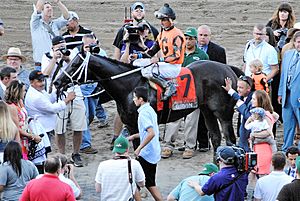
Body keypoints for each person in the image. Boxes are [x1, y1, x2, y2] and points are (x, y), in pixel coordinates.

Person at [162, 27, 209, 159]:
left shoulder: (202, 56)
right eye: (186, 38)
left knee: (191, 121)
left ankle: (190, 146)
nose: (188, 41)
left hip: (193, 93)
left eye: (191, 39)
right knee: (173, 119)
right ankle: (168, 145)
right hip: (177, 92)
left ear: (195, 40)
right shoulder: (177, 53)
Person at [41, 36, 86, 167]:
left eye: (64, 46)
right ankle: (62, 154)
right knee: (59, 128)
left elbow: (78, 70)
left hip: (74, 91)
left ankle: (76, 153)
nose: (62, 49)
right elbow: (45, 74)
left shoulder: (71, 53)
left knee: (79, 125)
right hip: (57, 93)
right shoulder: (47, 56)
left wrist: (67, 58)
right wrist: (54, 58)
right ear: (53, 47)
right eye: (59, 47)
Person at [131, 3, 186, 100]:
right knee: (136, 63)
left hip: (174, 67)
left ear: (170, 20)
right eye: (161, 20)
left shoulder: (177, 35)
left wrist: (159, 59)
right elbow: (152, 52)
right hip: (164, 63)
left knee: (147, 71)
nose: (162, 22)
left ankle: (168, 85)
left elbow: (176, 56)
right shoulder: (161, 34)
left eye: (164, 20)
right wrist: (138, 56)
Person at [24, 70, 75, 171]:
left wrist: (58, 90)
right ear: (31, 82)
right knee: (42, 153)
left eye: (43, 80)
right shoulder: (35, 96)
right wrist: (67, 99)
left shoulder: (38, 91)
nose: (42, 83)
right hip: (41, 129)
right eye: (39, 81)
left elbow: (49, 99)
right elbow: (52, 108)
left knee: (44, 152)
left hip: (44, 127)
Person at [69, 34, 107, 155]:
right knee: (83, 116)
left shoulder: (101, 53)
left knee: (91, 115)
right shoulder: (76, 53)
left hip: (94, 88)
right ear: (82, 44)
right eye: (87, 46)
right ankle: (85, 144)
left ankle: (82, 135)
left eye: (92, 45)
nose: (90, 48)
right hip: (80, 88)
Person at [128, 86, 163, 201]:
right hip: (153, 151)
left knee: (135, 182)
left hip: (147, 153)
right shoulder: (150, 110)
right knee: (149, 182)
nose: (133, 100)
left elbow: (151, 133)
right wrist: (134, 136)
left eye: (135, 98)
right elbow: (149, 131)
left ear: (141, 99)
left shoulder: (143, 114)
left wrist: (139, 148)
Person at [196, 24, 226, 151]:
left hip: (212, 90)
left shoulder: (219, 51)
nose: (203, 38)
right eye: (201, 35)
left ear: (210, 36)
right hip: (196, 88)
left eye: (205, 35)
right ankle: (199, 142)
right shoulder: (191, 48)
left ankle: (207, 143)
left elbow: (223, 69)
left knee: (210, 116)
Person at [95, 135, 145, 201]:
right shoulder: (134, 164)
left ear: (115, 149)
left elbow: (98, 189)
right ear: (127, 149)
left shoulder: (102, 165)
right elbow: (142, 184)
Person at [5, 80, 42, 160]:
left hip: (25, 136)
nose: (25, 92)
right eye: (23, 90)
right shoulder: (12, 107)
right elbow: (16, 128)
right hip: (19, 138)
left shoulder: (20, 102)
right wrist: (32, 136)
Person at [30, 0, 70, 69]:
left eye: (51, 8)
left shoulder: (55, 24)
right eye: (47, 7)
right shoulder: (35, 24)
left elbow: (67, 17)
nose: (50, 9)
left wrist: (58, 2)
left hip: (56, 63)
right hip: (41, 65)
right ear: (42, 11)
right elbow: (38, 9)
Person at [278, 31, 300, 152]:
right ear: (294, 42)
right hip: (287, 95)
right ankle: (287, 147)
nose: (299, 45)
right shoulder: (288, 55)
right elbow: (283, 75)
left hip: (299, 96)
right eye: (298, 42)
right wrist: (280, 92)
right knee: (288, 124)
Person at [222, 76, 254, 152]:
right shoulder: (245, 96)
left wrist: (240, 106)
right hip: (243, 133)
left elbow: (250, 117)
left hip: (248, 135)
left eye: (241, 88)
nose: (238, 89)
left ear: (248, 89)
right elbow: (237, 96)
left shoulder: (253, 100)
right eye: (237, 87)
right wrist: (230, 90)